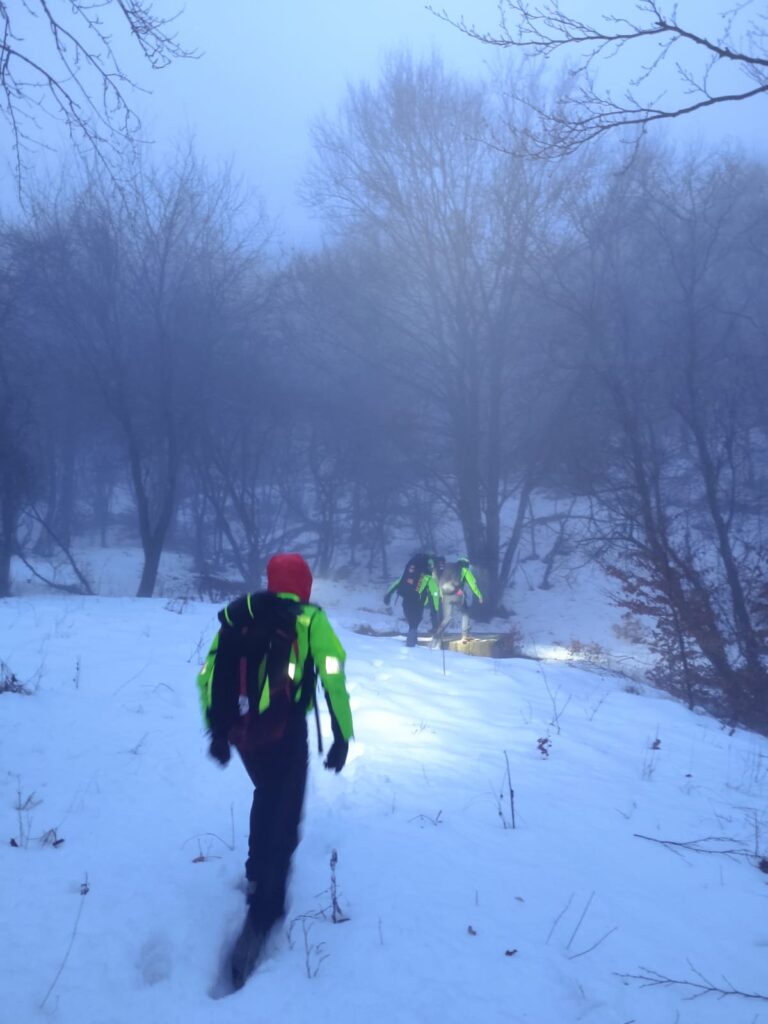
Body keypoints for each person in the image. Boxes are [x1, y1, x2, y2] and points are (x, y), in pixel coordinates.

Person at [197, 552, 354, 990]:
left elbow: (208, 674)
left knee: (266, 793)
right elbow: (333, 674)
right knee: (285, 811)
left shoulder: (239, 617)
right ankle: (266, 904)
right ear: (304, 584)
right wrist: (342, 735)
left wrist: (217, 730)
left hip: (244, 734)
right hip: (285, 730)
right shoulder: (309, 619)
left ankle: (254, 872)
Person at [383, 552, 441, 646]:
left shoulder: (408, 574)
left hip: (406, 599)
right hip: (418, 601)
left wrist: (388, 595)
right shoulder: (428, 578)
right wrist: (436, 608)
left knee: (412, 623)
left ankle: (413, 641)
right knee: (414, 623)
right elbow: (434, 593)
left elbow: (397, 583)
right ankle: (410, 645)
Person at [434, 556, 484, 642]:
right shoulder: (465, 570)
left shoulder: (449, 568)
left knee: (447, 617)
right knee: (465, 613)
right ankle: (465, 635)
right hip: (457, 595)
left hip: (446, 595)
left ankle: (437, 635)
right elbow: (473, 585)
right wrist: (479, 595)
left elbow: (440, 582)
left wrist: (441, 595)